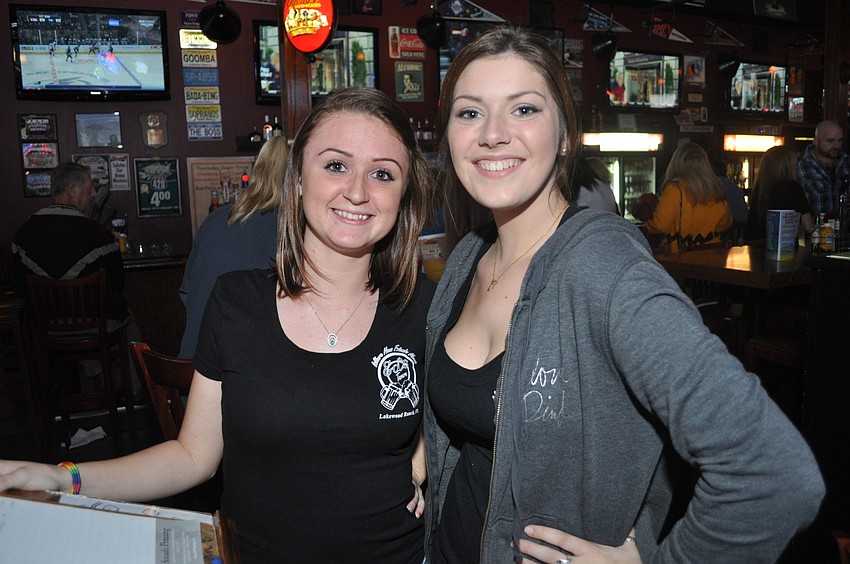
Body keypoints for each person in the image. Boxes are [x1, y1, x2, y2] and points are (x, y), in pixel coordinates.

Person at [423, 26, 823, 564]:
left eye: (523, 110)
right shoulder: (468, 259)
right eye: (470, 112)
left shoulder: (604, 268)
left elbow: (773, 472)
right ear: (448, 136)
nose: (493, 133)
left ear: (565, 136)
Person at [0, 88, 435, 564]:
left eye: (382, 173)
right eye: (335, 165)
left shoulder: (425, 306)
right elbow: (192, 457)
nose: (357, 190)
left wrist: (425, 459)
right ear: (296, 180)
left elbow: (477, 412)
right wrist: (64, 477)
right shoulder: (236, 302)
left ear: (404, 195)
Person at [178, 136, 287, 358]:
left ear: (257, 171)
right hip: (232, 376)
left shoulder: (214, 219)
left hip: (188, 369)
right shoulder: (293, 228)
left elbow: (186, 293)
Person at [12, 162, 128, 324]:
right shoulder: (98, 235)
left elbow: (19, 285)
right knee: (131, 325)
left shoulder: (23, 234)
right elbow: (117, 283)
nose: (94, 194)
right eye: (90, 188)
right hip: (96, 325)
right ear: (73, 189)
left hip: (44, 329)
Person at [642, 142, 733, 251]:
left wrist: (647, 224)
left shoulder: (674, 190)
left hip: (682, 256)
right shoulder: (716, 189)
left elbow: (660, 225)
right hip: (712, 253)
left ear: (676, 164)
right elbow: (726, 223)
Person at [746, 145, 814, 241]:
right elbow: (809, 227)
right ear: (789, 165)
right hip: (783, 248)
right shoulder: (792, 187)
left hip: (756, 247)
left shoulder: (760, 190)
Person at [797, 119, 850, 215]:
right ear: (816, 141)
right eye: (830, 141)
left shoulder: (846, 163)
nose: (836, 146)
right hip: (813, 228)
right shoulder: (800, 165)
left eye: (840, 140)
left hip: (843, 228)